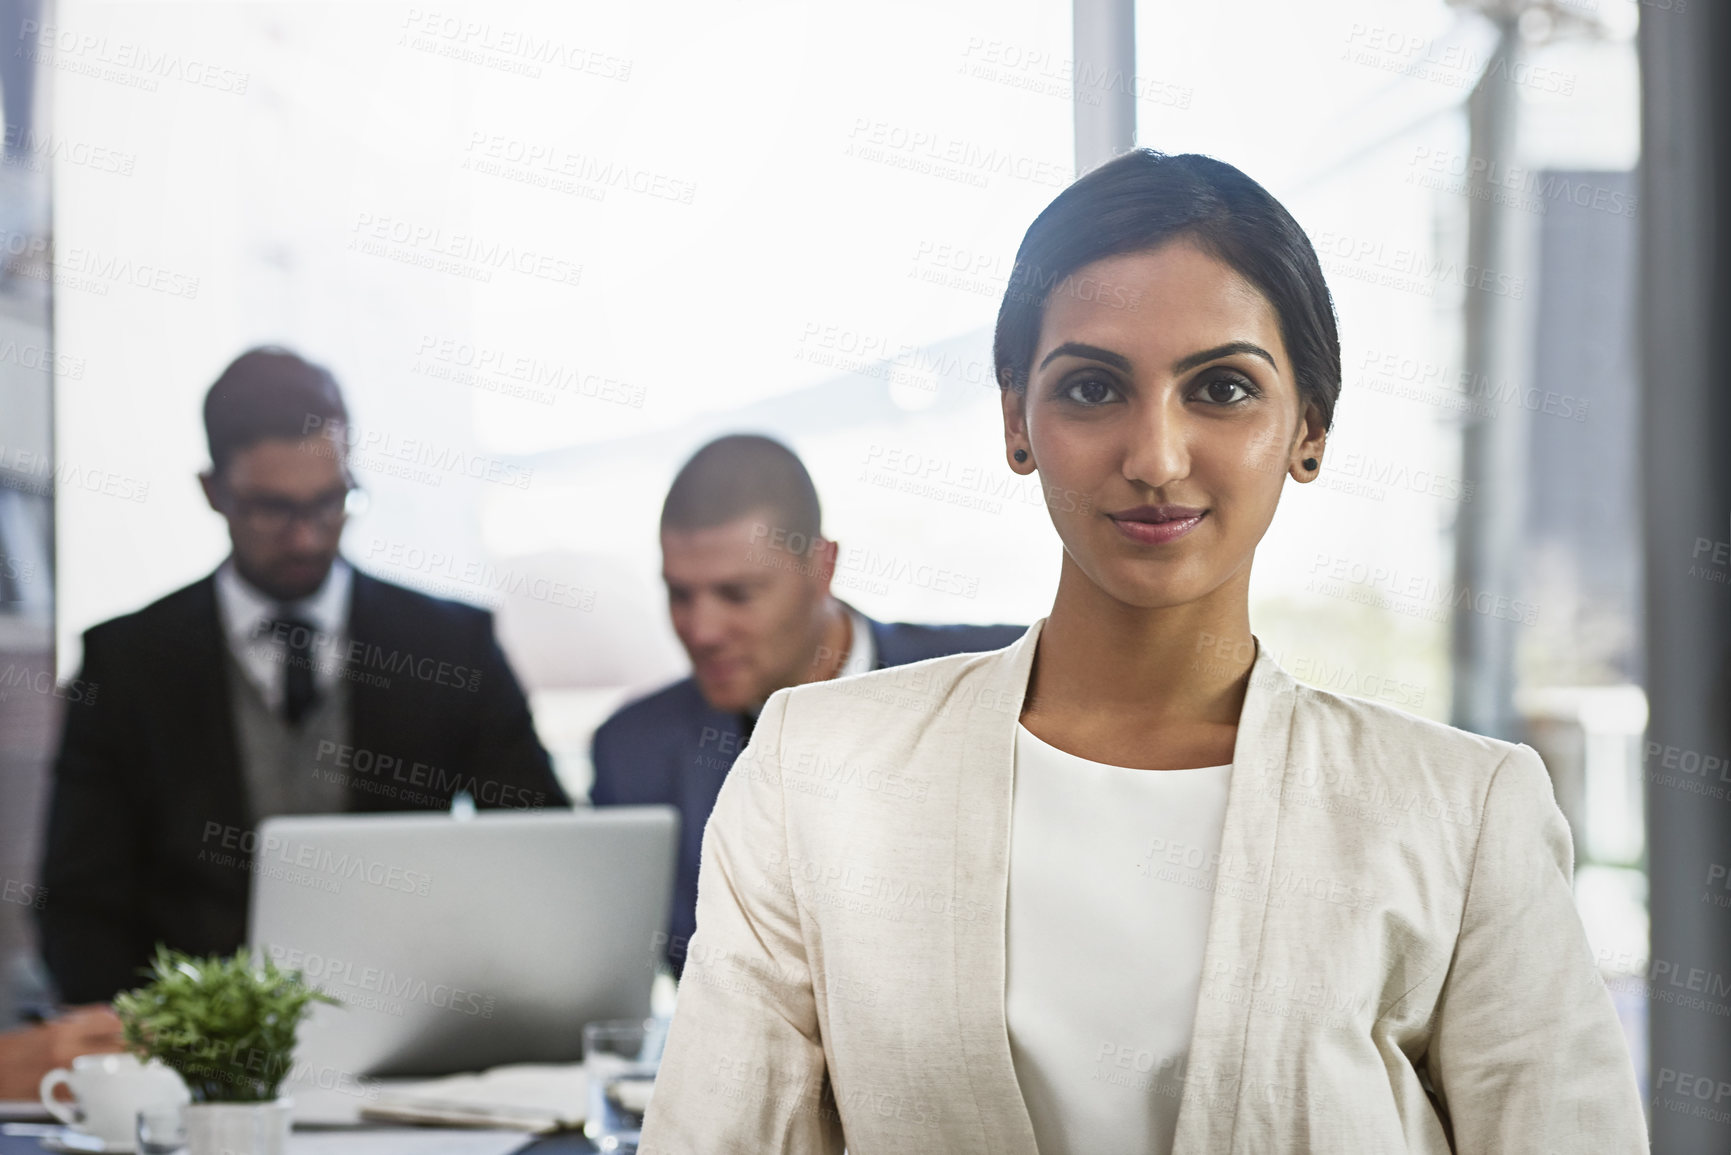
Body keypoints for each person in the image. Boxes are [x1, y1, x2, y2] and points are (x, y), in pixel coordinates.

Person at [637, 152, 1647, 1153]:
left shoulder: (1464, 812)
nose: (1156, 459)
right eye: (1090, 388)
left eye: (1221, 388)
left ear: (1312, 429)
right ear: (1013, 418)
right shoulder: (816, 770)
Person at [37, 347, 569, 1004]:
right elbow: (79, 906)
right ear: (212, 491)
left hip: (413, 1040)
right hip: (197, 1057)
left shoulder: (450, 646)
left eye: (330, 501)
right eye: (272, 509)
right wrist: (157, 1042)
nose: (308, 538)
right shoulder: (127, 663)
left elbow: (543, 856)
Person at [589, 434, 1021, 977]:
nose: (701, 630)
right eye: (680, 594)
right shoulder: (633, 752)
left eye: (737, 594)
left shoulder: (1001, 681)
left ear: (823, 567)